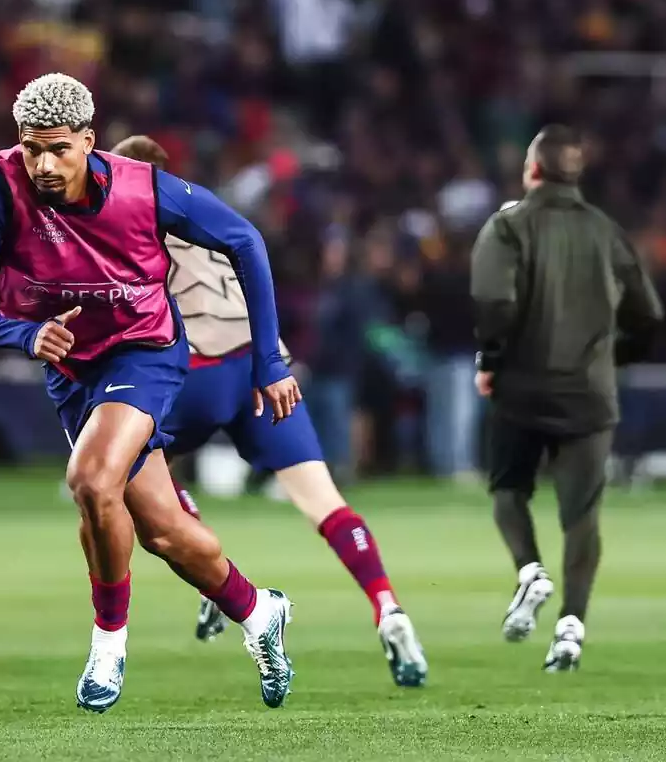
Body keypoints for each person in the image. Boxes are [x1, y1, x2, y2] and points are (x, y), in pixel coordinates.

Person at [0, 74, 298, 713]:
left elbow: (245, 240)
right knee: (165, 533)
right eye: (31, 149)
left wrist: (267, 359)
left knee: (90, 479)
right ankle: (258, 610)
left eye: (59, 149)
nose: (43, 165)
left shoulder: (145, 190)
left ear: (89, 140)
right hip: (73, 370)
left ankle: (109, 644)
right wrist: (24, 335)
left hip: (145, 351)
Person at [109, 135, 427, 688]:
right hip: (263, 370)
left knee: (137, 474)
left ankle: (209, 569)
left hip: (198, 374)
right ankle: (388, 606)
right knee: (325, 503)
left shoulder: (128, 228)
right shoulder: (209, 211)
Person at [471, 125, 664, 672]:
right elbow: (648, 314)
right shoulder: (606, 231)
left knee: (509, 491)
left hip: (522, 390)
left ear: (533, 170)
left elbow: (491, 302)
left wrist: (490, 360)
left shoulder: (507, 227)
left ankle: (531, 572)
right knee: (582, 516)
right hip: (588, 395)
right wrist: (615, 357)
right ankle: (572, 628)